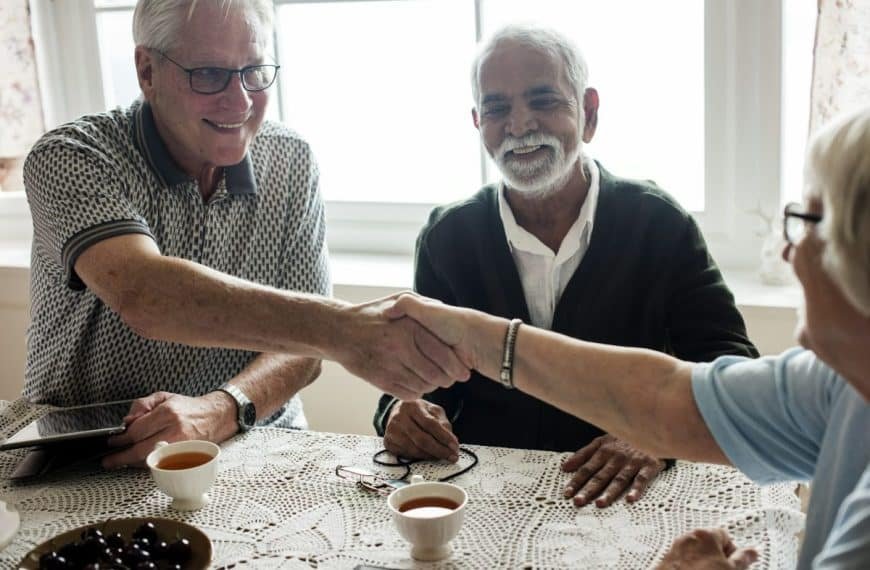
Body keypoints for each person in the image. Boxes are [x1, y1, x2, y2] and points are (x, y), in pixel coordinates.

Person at [386, 106, 870, 568]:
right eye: (496, 107)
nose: (787, 251)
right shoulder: (836, 383)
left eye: (806, 222)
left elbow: (716, 360)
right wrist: (410, 399)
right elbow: (669, 399)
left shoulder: (657, 221)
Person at [22, 0, 469, 469]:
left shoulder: (290, 160)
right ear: (147, 71)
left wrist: (222, 409)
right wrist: (345, 329)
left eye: (254, 71)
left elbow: (302, 356)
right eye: (210, 74)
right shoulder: (71, 157)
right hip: (92, 455)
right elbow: (145, 293)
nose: (239, 101)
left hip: (251, 439)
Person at [374, 25, 757, 508]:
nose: (519, 124)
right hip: (488, 497)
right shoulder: (447, 237)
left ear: (589, 112)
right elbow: (414, 381)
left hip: (623, 500)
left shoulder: (659, 223)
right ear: (477, 123)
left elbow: (733, 368)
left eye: (543, 101)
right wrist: (400, 413)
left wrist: (657, 436)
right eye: (497, 108)